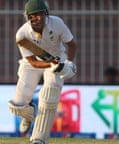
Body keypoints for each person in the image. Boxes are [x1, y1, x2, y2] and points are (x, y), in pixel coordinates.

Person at [7, 0, 77, 143]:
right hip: (32, 63)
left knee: (50, 94)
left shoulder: (57, 23)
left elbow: (71, 44)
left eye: (40, 14)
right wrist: (49, 64)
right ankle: (28, 115)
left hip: (57, 57)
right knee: (17, 105)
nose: (37, 18)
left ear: (46, 14)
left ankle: (39, 138)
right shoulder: (22, 34)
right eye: (33, 15)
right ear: (27, 17)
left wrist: (67, 62)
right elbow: (32, 61)